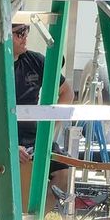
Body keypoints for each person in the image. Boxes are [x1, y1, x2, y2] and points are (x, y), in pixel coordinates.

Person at [13, 21, 74, 210]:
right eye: (20, 32)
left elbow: (67, 93)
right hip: (4, 137)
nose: (25, 37)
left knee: (64, 171)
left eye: (27, 30)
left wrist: (49, 131)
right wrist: (10, 144)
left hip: (34, 138)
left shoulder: (35, 60)